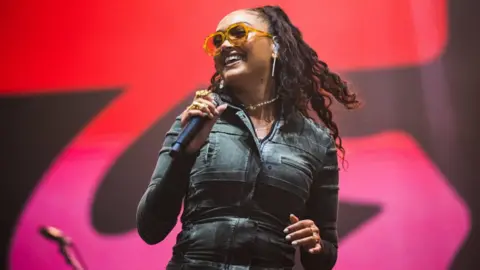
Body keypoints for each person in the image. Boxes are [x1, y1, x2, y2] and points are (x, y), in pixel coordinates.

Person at [136, 5, 360, 270]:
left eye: (238, 33)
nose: (225, 45)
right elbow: (150, 228)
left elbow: (325, 256)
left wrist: (316, 243)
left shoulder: (316, 141)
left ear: (275, 46)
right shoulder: (198, 119)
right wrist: (184, 156)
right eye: (217, 40)